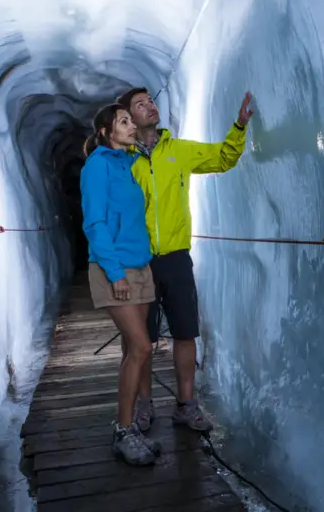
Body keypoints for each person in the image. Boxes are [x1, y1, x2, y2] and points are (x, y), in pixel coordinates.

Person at [116, 87, 254, 433]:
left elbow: (223, 158)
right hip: (137, 261)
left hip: (176, 257)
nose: (150, 105)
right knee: (140, 340)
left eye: (151, 100)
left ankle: (186, 405)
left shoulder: (178, 151)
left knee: (185, 332)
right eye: (140, 104)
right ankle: (144, 405)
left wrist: (238, 127)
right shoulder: (122, 160)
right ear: (128, 119)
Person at [80, 103, 162, 466]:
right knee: (142, 348)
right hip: (114, 270)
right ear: (105, 132)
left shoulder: (128, 164)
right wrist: (115, 274)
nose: (131, 126)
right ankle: (123, 431)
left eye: (131, 121)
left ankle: (129, 431)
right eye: (123, 122)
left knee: (135, 349)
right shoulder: (97, 166)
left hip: (139, 266)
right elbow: (95, 223)